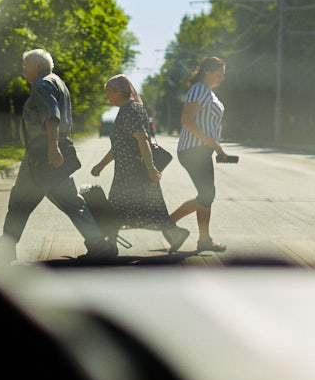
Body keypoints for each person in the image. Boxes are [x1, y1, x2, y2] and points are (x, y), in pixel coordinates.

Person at [0, 48, 116, 263]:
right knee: (69, 201)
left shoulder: (42, 84)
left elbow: (51, 116)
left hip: (42, 154)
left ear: (37, 67)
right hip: (46, 152)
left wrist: (52, 148)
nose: (23, 72)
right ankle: (98, 243)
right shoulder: (58, 82)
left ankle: (5, 249)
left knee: (21, 201)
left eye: (25, 68)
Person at [90, 75, 190, 253]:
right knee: (150, 207)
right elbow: (120, 145)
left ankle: (110, 245)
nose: (107, 97)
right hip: (131, 171)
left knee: (118, 206)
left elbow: (142, 139)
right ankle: (175, 233)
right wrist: (101, 165)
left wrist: (151, 167)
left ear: (119, 93)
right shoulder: (129, 109)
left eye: (109, 93)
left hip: (133, 172)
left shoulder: (130, 110)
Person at [169, 57, 232, 252]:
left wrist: (218, 149)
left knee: (206, 195)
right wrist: (207, 141)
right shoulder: (199, 90)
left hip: (201, 150)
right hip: (192, 150)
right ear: (208, 73)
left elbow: (209, 127)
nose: (222, 79)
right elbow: (186, 120)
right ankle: (167, 223)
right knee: (207, 194)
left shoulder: (208, 93)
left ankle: (204, 239)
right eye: (219, 75)